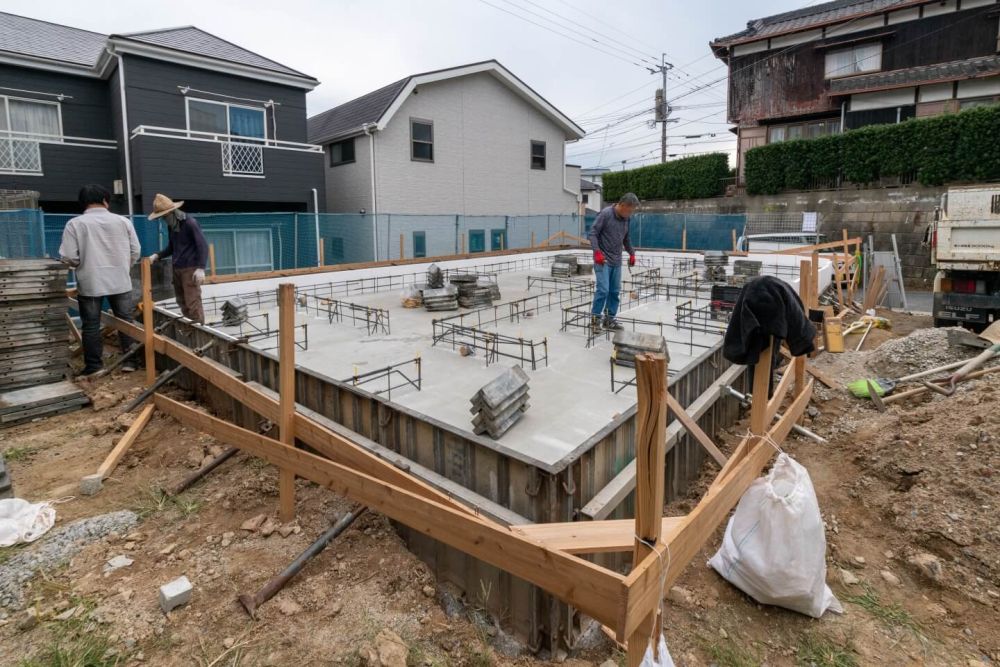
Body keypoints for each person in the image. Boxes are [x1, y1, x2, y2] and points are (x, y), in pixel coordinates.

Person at [59, 184, 141, 375]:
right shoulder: (123, 222)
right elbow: (135, 251)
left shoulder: (75, 224)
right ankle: (131, 362)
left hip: (91, 282)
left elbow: (69, 256)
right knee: (126, 321)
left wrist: (82, 264)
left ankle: (95, 366)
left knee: (91, 325)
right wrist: (123, 266)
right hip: (120, 281)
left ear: (83, 203)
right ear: (105, 200)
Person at [148, 194, 208, 324]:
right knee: (182, 301)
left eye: (164, 216)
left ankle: (199, 330)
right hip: (177, 268)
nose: (163, 220)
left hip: (190, 269)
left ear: (171, 212)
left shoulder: (190, 223)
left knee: (192, 301)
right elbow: (171, 247)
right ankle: (189, 329)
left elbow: (202, 245)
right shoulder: (172, 226)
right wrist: (158, 255)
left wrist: (201, 268)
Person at [588, 192, 639, 331]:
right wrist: (597, 252)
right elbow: (592, 234)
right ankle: (595, 320)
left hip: (616, 260)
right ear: (622, 205)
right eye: (629, 210)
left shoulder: (626, 219)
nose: (630, 214)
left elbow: (626, 239)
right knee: (603, 290)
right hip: (602, 260)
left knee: (614, 291)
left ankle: (609, 320)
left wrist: (632, 253)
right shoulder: (605, 214)